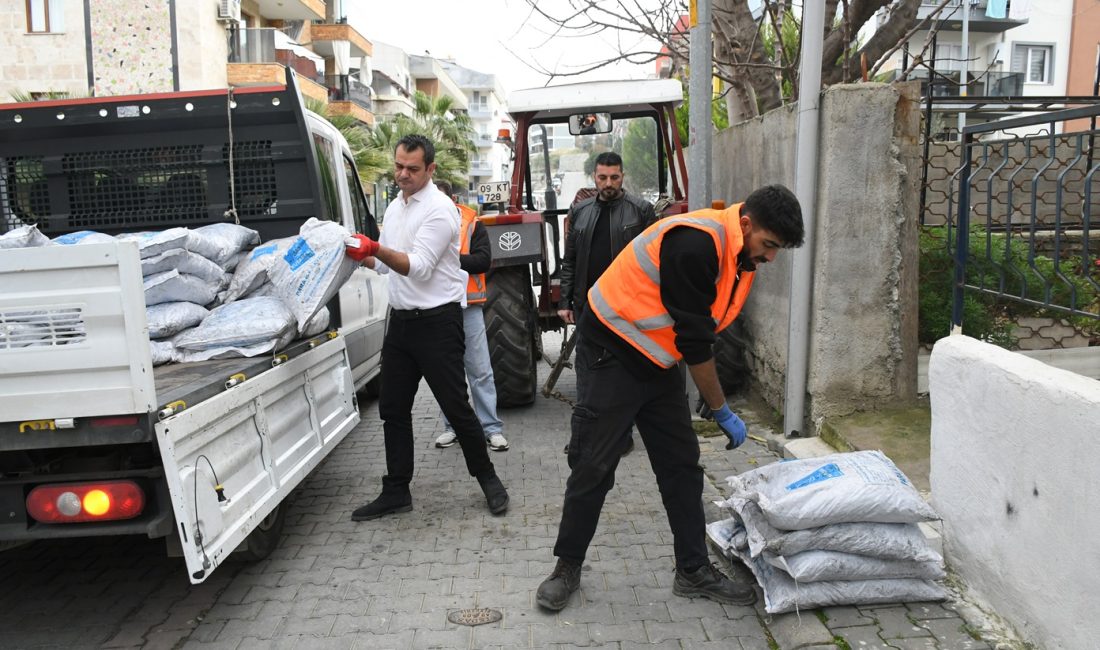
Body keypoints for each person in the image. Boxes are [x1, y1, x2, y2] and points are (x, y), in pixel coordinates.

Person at [535, 184, 805, 612]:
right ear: (748, 224)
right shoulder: (696, 244)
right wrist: (721, 410)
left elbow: (699, 328)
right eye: (769, 245)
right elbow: (697, 344)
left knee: (681, 467)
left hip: (657, 361)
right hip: (611, 352)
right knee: (593, 465)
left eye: (778, 250)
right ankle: (566, 567)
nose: (770, 257)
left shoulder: (737, 250)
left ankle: (693, 570)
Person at [345, 134, 509, 521]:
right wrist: (356, 253)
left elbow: (416, 266)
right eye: (398, 166)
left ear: (430, 169)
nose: (402, 174)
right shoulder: (396, 208)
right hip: (401, 324)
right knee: (392, 409)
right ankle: (397, 491)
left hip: (438, 323)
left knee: (455, 405)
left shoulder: (440, 210)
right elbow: (386, 265)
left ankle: (489, 479)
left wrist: (373, 248)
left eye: (412, 169)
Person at [557, 151, 657, 455]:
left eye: (614, 177)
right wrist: (565, 301)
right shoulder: (580, 212)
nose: (608, 183)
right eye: (603, 177)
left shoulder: (641, 211)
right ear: (595, 178)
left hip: (627, 309)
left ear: (622, 176)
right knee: (587, 375)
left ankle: (621, 436)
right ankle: (583, 438)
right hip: (590, 308)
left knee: (622, 375)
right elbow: (570, 261)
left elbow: (655, 261)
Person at [431, 180, 508, 452]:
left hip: (468, 308)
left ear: (452, 198)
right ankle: (452, 428)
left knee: (480, 371)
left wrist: (448, 259)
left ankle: (491, 429)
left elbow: (483, 261)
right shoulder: (421, 222)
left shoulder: (472, 222)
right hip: (436, 308)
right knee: (446, 374)